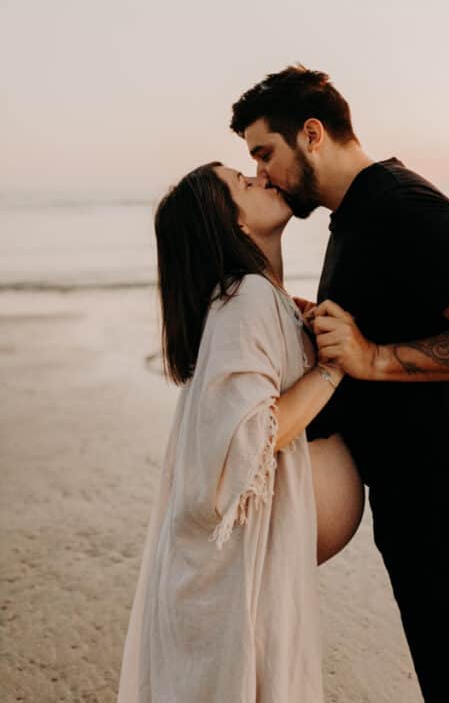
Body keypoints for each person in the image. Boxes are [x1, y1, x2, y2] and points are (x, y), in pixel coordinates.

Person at [230, 67, 449, 703]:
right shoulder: (354, 217)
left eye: (265, 153)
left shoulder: (400, 204)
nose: (262, 174)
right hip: (420, 496)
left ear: (311, 134)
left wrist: (374, 357)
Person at [117, 162, 364, 703]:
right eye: (241, 184)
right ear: (232, 225)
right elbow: (248, 438)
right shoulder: (245, 299)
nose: (260, 177)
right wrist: (335, 366)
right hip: (241, 583)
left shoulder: (256, 299)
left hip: (255, 569)